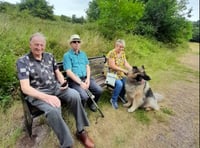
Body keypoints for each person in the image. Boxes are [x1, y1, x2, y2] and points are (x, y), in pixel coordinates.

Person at [16, 32, 95, 148]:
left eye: (41, 45)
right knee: (53, 110)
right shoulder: (23, 61)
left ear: (45, 45)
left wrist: (63, 82)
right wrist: (48, 97)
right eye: (36, 45)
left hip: (55, 88)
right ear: (30, 45)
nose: (39, 47)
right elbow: (25, 88)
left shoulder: (49, 56)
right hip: (38, 93)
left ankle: (80, 131)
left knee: (75, 95)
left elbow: (57, 72)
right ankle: (67, 144)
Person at [63, 34, 103, 112]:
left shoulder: (83, 54)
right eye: (74, 42)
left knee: (98, 90)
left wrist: (88, 79)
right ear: (71, 44)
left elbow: (87, 66)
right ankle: (81, 110)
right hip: (74, 80)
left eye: (78, 41)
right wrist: (81, 83)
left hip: (86, 78)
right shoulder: (67, 56)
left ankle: (90, 103)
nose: (77, 43)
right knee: (84, 96)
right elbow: (68, 72)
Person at [106, 39, 132, 109]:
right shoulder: (112, 53)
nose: (121, 48)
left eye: (122, 47)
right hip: (110, 73)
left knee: (126, 81)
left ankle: (121, 95)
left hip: (119, 73)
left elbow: (125, 63)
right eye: (120, 47)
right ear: (116, 46)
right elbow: (112, 66)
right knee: (119, 84)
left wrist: (131, 69)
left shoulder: (123, 53)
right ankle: (113, 100)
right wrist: (124, 70)